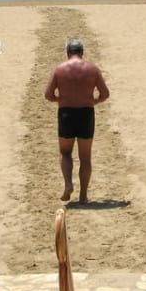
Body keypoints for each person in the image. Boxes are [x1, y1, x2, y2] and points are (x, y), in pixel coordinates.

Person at [44, 37, 110, 204]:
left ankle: (68, 184)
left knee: (65, 152)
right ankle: (83, 196)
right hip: (86, 113)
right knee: (85, 157)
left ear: (68, 53)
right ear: (82, 52)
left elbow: (48, 95)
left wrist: (60, 99)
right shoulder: (93, 69)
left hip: (66, 113)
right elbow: (105, 94)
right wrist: (94, 101)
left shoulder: (59, 69)